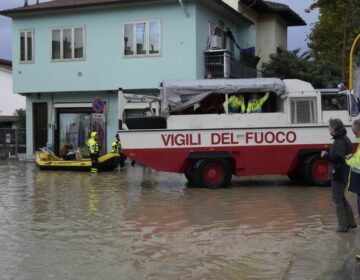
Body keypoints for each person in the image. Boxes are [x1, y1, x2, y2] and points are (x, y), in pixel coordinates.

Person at [321, 118, 356, 232]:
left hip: (339, 173)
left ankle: (342, 226)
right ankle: (351, 223)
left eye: (330, 127)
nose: (329, 129)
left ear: (335, 129)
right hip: (344, 172)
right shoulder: (345, 138)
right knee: (341, 197)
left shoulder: (339, 141)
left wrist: (325, 156)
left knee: (337, 199)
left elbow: (338, 158)